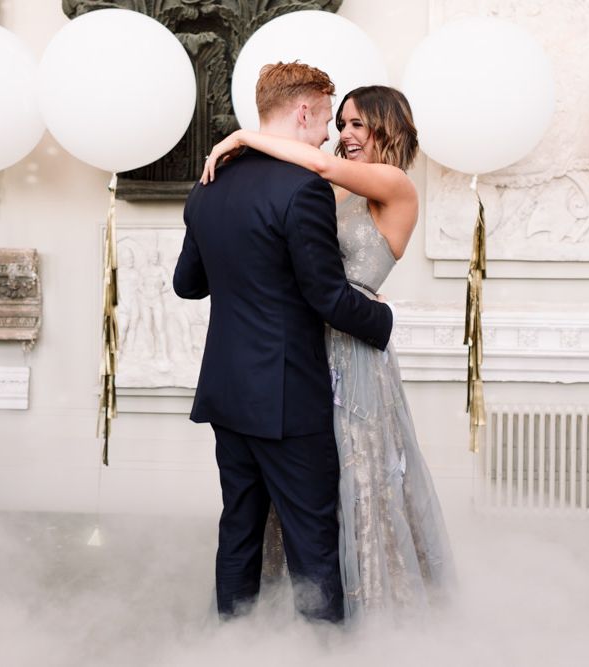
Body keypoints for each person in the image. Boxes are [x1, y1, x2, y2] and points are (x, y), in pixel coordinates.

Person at [202, 83, 455, 620]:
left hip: (355, 353)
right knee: (304, 491)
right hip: (305, 347)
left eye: (359, 124)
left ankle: (362, 619)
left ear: (389, 127)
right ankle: (288, 615)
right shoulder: (327, 186)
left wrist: (244, 137)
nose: (346, 135)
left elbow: (318, 169)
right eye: (341, 124)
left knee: (357, 478)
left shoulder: (393, 183)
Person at [173, 62, 394, 624]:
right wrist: (383, 321)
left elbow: (187, 284)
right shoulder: (304, 188)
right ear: (302, 111)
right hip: (288, 398)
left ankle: (233, 646)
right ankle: (323, 654)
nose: (326, 135)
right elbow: (327, 298)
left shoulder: (209, 184)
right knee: (313, 540)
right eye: (324, 119)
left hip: (227, 391)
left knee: (239, 530)